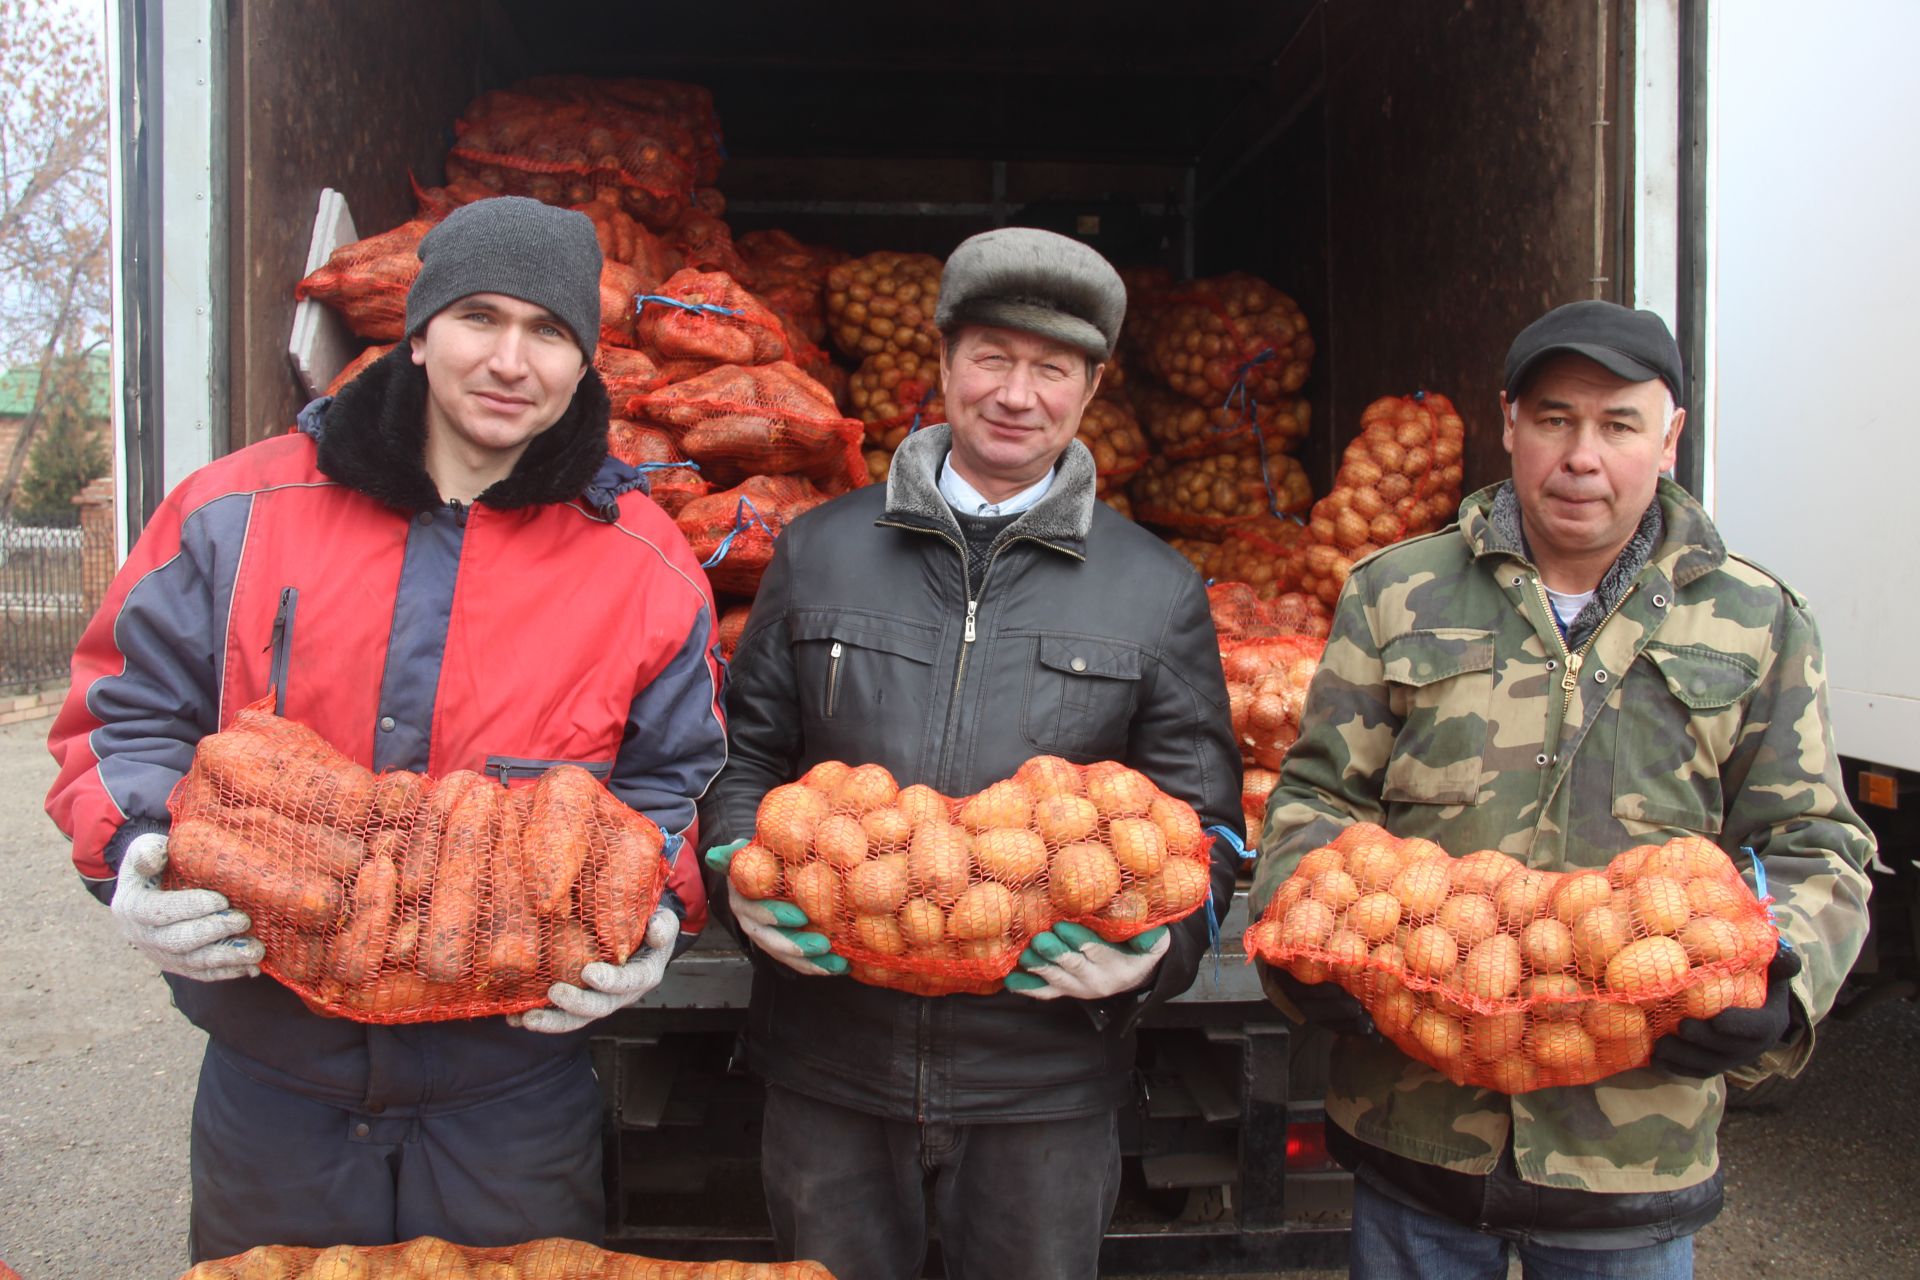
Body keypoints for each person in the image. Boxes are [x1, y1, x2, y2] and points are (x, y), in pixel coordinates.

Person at [45, 196, 728, 1260]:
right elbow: (118, 712)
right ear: (417, 333)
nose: (511, 359)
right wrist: (132, 844)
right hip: (276, 1078)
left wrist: (659, 909)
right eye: (478, 318)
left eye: (548, 331)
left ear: (585, 363)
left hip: (514, 1086)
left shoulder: (642, 563)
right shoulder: (236, 509)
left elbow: (676, 778)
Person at [1251, 299, 1875, 1278]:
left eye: (1619, 423)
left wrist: (1784, 976)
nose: (1582, 455)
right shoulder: (1395, 592)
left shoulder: (1756, 620)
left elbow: (1814, 842)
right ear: (1508, 424)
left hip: (1629, 1146)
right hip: (1416, 1124)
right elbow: (1314, 802)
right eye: (1554, 418)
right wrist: (1315, 944)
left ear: (1668, 438)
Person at [698, 227, 1242, 1280]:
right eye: (992, 356)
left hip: (1042, 1083)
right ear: (942, 365)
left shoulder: (1156, 588)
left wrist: (1155, 957)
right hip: (831, 1067)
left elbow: (1206, 824)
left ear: (1089, 389)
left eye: (1053, 369)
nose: (1017, 393)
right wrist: (736, 876)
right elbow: (740, 761)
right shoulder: (820, 549)